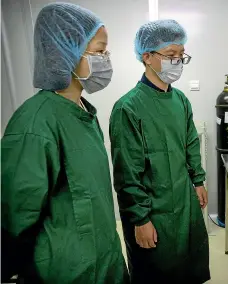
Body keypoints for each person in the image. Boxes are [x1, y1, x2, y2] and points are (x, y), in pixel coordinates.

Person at [1, 3, 129, 283]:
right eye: (98, 51)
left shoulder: (82, 111)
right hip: (64, 270)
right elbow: (17, 215)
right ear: (66, 51)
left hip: (102, 257)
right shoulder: (35, 123)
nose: (106, 59)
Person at [109, 19, 210, 283]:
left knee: (189, 266)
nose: (177, 62)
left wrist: (198, 180)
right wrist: (140, 219)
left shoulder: (180, 100)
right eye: (170, 55)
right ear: (147, 57)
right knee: (158, 272)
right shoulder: (128, 108)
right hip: (153, 211)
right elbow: (127, 173)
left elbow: (190, 144)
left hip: (184, 201)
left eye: (181, 56)